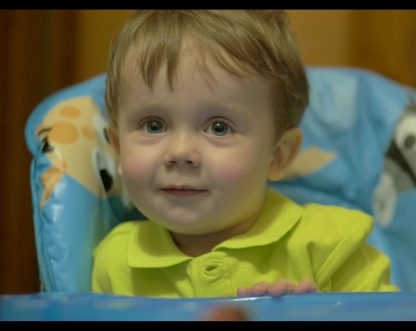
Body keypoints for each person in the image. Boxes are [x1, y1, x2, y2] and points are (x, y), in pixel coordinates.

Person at [91, 10, 398, 298]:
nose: (181, 152)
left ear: (277, 156)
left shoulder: (331, 247)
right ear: (118, 149)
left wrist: (324, 315)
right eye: (154, 125)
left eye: (219, 128)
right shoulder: (115, 265)